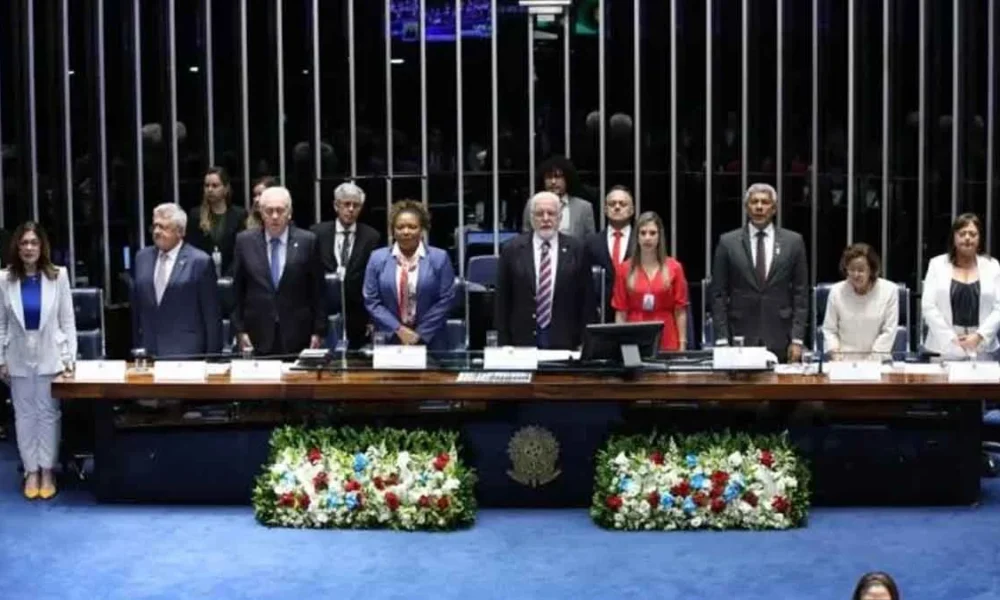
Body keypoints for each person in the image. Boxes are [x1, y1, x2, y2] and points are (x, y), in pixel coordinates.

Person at [0, 222, 76, 500]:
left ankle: (47, 469)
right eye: (24, 243)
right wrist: (0, 360)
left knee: (47, 414)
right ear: (17, 248)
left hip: (50, 354)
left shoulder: (58, 276)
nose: (29, 248)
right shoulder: (4, 279)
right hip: (17, 354)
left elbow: (67, 321)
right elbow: (1, 324)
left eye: (34, 242)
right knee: (24, 415)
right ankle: (31, 471)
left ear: (42, 246)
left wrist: (70, 359)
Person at [710, 183, 808, 362]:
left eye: (765, 202)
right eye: (754, 202)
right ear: (747, 207)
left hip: (780, 335)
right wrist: (722, 338)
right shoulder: (728, 242)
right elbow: (718, 294)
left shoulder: (793, 242)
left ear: (774, 208)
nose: (759, 207)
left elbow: (800, 294)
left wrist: (797, 339)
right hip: (740, 335)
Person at [231, 186, 326, 356]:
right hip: (256, 334)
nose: (274, 216)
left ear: (289, 213)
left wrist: (318, 331)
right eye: (269, 211)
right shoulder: (244, 241)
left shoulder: (308, 241)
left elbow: (318, 291)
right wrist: (239, 330)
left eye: (280, 210)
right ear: (261, 212)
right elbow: (237, 291)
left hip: (298, 333)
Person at [497, 191, 596, 349]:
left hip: (566, 341)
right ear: (531, 218)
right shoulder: (512, 249)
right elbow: (502, 301)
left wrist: (587, 343)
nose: (545, 219)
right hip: (522, 342)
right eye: (539, 214)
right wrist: (504, 343)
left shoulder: (577, 249)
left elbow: (587, 301)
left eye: (551, 213)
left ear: (560, 217)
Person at [131, 203, 221, 358]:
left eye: (164, 227)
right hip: (149, 352)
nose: (157, 231)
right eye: (155, 226)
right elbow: (137, 309)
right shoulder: (142, 258)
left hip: (186, 355)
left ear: (181, 231)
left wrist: (212, 359)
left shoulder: (199, 262)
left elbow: (211, 316)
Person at [363, 200, 455, 350]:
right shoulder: (377, 258)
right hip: (390, 339)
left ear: (422, 229)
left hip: (431, 341)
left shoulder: (440, 258)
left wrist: (419, 334)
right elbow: (372, 301)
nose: (406, 232)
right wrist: (399, 329)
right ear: (393, 230)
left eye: (412, 227)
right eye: (400, 227)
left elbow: (446, 299)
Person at [921, 213, 1000, 359]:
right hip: (942, 346)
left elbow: (998, 308)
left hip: (982, 347)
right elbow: (928, 306)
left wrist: (979, 336)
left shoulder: (993, 266)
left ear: (979, 238)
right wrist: (952, 339)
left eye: (973, 234)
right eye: (962, 233)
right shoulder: (937, 265)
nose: (967, 238)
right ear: (954, 237)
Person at [312, 182, 381, 348]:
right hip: (323, 314)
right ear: (336, 206)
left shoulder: (372, 237)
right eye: (346, 204)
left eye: (356, 205)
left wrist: (372, 319)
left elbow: (375, 280)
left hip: (357, 314)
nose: (351, 209)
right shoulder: (316, 233)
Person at [611, 211, 689, 351]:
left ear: (660, 236)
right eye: (643, 233)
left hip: (666, 335)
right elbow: (621, 312)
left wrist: (682, 344)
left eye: (652, 233)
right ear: (637, 237)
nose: (648, 238)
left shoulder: (674, 268)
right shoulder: (624, 269)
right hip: (634, 334)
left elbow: (680, 310)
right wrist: (620, 344)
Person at [822, 243, 899, 360]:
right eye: (851, 270)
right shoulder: (836, 291)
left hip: (878, 361)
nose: (856, 275)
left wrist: (872, 360)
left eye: (861, 270)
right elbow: (829, 329)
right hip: (843, 362)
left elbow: (888, 331)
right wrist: (835, 353)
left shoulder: (889, 291)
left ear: (872, 270)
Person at [586, 186, 635, 321]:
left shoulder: (641, 241)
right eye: (612, 204)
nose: (617, 207)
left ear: (632, 210)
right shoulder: (591, 242)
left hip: (634, 311)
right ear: (605, 209)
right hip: (600, 313)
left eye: (622, 204)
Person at [187, 166, 247, 276]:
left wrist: (231, 274)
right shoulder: (196, 215)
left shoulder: (239, 215)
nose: (210, 189)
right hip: (202, 274)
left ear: (226, 188)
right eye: (207, 186)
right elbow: (191, 248)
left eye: (215, 186)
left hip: (232, 276)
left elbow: (242, 250)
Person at [521, 155, 596, 238]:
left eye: (558, 177)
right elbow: (526, 236)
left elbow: (589, 241)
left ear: (567, 179)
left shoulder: (584, 207)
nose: (553, 182)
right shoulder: (532, 203)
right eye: (549, 177)